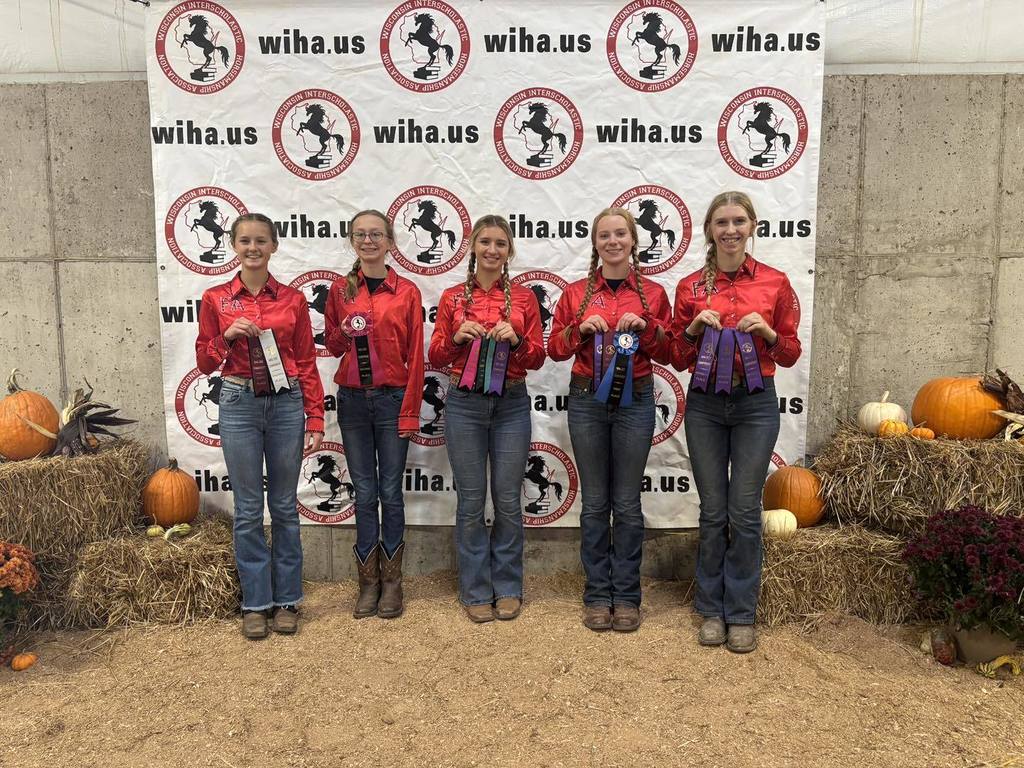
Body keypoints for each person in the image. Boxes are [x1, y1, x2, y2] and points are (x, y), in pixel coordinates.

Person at [670, 191, 802, 653]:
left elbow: (790, 352)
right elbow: (675, 354)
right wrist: (690, 330)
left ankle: (741, 612)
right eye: (721, 222)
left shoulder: (776, 283)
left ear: (751, 227)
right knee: (713, 511)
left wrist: (766, 333)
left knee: (744, 512)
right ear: (709, 229)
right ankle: (710, 609)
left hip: (755, 404)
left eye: (738, 221)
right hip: (705, 405)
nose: (730, 230)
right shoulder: (688, 288)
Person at [195, 213, 325, 640]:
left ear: (274, 246)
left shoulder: (292, 300)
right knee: (249, 510)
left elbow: (305, 360)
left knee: (285, 507)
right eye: (245, 241)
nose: (253, 248)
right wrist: (227, 336)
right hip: (237, 401)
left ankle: (287, 600)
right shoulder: (215, 299)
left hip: (286, 405)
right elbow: (204, 362)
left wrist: (316, 414)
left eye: (261, 241)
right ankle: (255, 603)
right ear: (233, 245)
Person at [548, 207, 672, 632]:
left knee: (628, 503)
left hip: (636, 399)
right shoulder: (576, 293)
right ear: (596, 243)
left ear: (633, 241)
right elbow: (555, 349)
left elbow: (671, 350)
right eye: (605, 235)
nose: (613, 241)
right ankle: (598, 595)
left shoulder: (653, 293)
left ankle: (628, 597)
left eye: (621, 234)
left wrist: (648, 325)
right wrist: (580, 329)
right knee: (596, 502)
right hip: (587, 399)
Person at [428, 214, 545, 623]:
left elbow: (537, 358)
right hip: (464, 403)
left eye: (500, 243)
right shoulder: (451, 298)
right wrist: (456, 338)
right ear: (473, 247)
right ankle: (475, 588)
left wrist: (519, 340)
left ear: (509, 250)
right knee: (472, 502)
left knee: (509, 501)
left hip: (511, 403)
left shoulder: (526, 300)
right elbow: (436, 356)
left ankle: (508, 586)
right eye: (485, 242)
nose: (493, 250)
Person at [324, 209, 424, 620]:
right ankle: (368, 582)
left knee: (390, 491)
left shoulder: (407, 291)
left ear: (390, 241)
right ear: (352, 241)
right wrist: (344, 331)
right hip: (352, 399)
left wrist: (410, 410)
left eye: (376, 234)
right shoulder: (339, 291)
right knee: (364, 492)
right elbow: (331, 345)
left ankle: (393, 581)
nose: (369, 241)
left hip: (392, 398)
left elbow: (416, 355)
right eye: (361, 234)